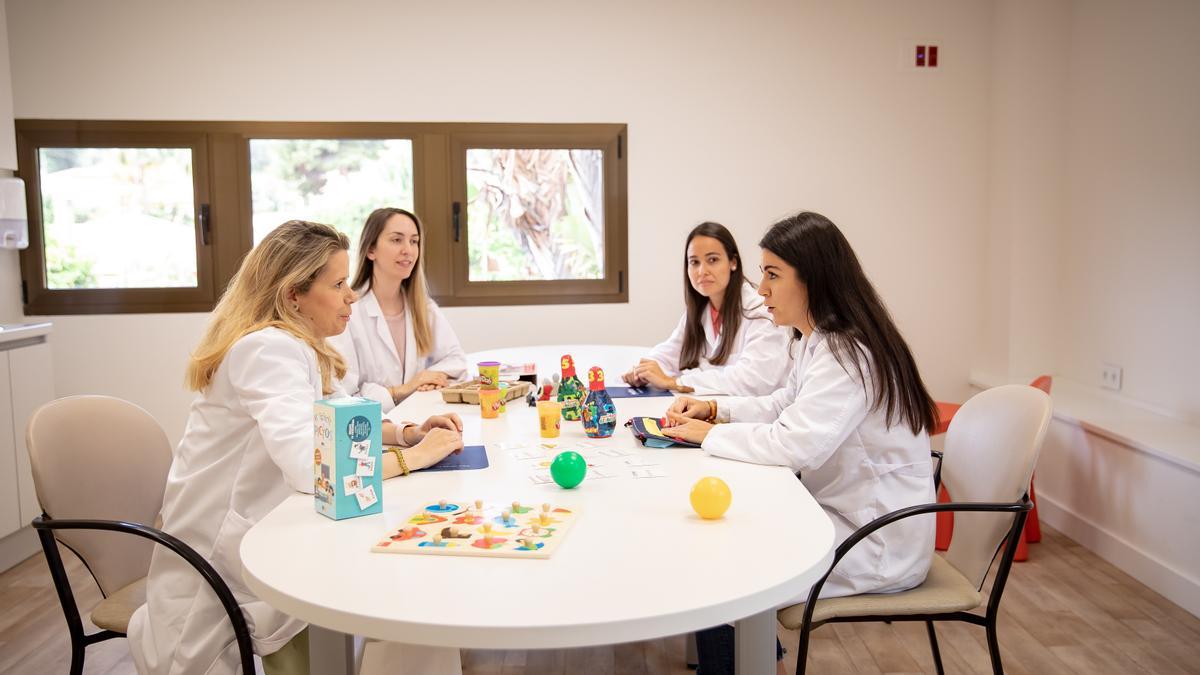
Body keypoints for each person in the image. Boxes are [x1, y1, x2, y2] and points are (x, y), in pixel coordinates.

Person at [128, 220, 465, 675]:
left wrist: (407, 432)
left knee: (397, 593)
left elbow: (335, 413)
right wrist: (418, 457)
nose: (351, 295)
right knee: (398, 594)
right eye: (339, 284)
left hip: (271, 528)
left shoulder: (299, 346)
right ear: (293, 295)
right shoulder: (266, 350)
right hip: (222, 564)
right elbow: (315, 470)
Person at [661, 212, 937, 674]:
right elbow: (782, 404)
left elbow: (796, 445)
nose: (761, 288)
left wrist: (710, 435)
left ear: (814, 280)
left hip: (875, 539)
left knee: (720, 575)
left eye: (772, 274)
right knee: (714, 549)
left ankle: (750, 660)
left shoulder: (850, 352)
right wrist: (715, 410)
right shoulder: (818, 341)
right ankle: (752, 657)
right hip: (842, 513)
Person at [622, 221, 789, 396]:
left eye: (712, 260)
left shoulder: (761, 311)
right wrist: (643, 370)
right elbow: (669, 352)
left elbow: (754, 380)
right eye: (694, 262)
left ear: (733, 262)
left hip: (759, 416)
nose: (702, 271)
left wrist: (675, 382)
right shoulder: (700, 312)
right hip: (717, 409)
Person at [331, 207, 466, 407]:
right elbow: (343, 395)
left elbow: (457, 361)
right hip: (373, 429)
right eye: (396, 240)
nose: (408, 250)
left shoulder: (424, 308)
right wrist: (405, 388)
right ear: (371, 250)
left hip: (420, 419)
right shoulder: (349, 312)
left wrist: (428, 377)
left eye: (414, 241)